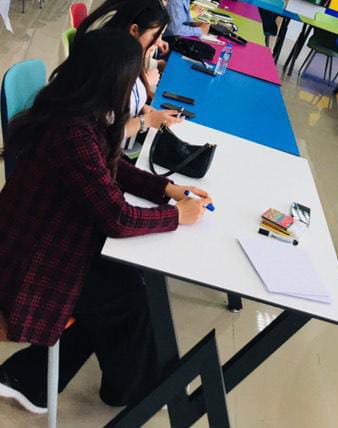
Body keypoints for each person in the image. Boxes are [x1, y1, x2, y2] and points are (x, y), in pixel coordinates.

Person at [0, 30, 211, 414]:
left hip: (39, 240)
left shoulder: (74, 112)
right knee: (127, 295)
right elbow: (117, 217)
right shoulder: (73, 133)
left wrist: (166, 189)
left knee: (124, 286)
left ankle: (32, 379)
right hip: (28, 261)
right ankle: (134, 392)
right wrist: (176, 215)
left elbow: (109, 166)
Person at [102, 0, 182, 143]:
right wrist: (147, 120)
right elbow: (105, 134)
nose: (158, 43)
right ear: (134, 30)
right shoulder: (111, 67)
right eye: (155, 35)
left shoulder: (128, 58)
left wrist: (142, 108)